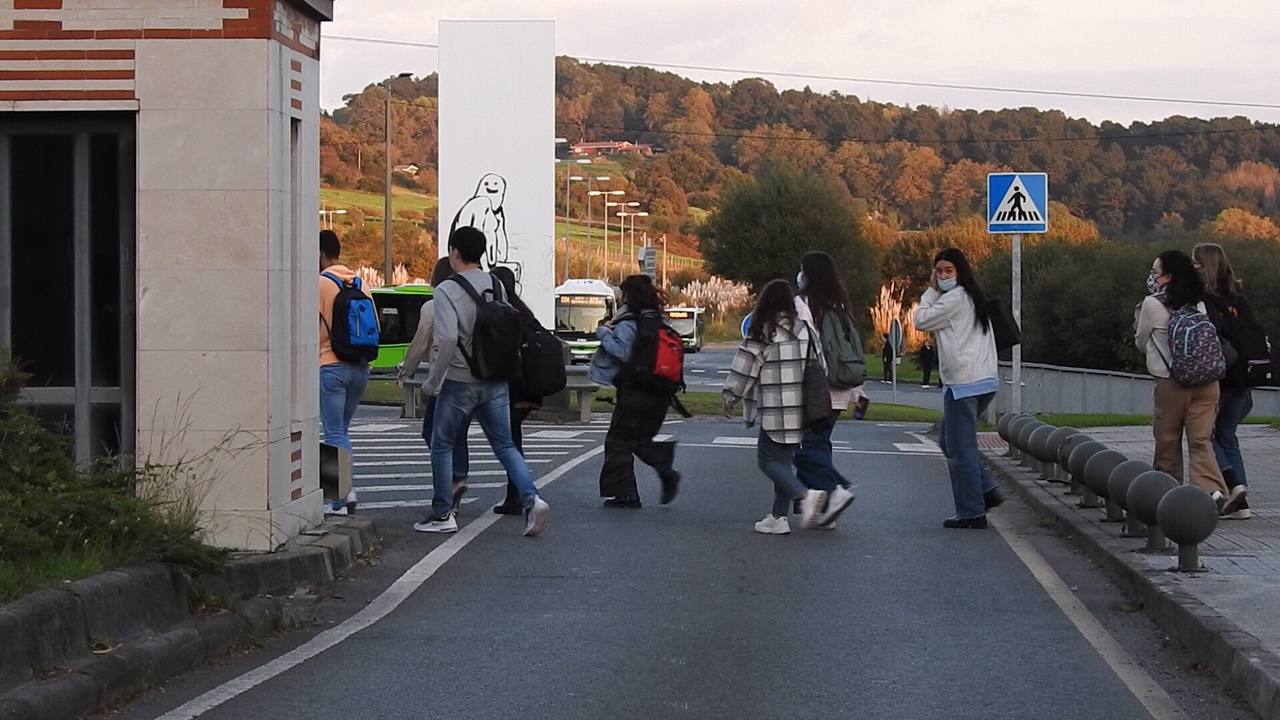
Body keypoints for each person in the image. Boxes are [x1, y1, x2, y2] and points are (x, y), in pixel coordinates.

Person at [414, 227, 550, 536]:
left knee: (442, 445)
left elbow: (447, 338)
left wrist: (433, 382)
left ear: (454, 252)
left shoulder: (446, 290)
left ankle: (442, 513)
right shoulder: (496, 285)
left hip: (459, 380)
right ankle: (533, 498)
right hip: (496, 380)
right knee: (504, 444)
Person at [723, 279, 828, 535]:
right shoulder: (806, 330)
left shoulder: (763, 332)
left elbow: (744, 369)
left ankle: (804, 496)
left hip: (775, 409)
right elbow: (821, 366)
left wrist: (731, 397)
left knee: (767, 460)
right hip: (802, 410)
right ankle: (778, 518)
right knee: (783, 462)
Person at [914, 248, 1004, 529]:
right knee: (948, 440)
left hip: (964, 383)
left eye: (947, 271)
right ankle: (985, 490)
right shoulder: (971, 296)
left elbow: (921, 321)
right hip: (983, 379)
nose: (942, 276)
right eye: (938, 271)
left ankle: (971, 512)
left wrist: (930, 292)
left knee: (960, 448)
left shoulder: (954, 298)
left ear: (959, 272)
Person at [1135, 250, 1229, 505]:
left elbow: (1141, 342)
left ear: (1167, 277)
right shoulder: (1198, 302)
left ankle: (1167, 493)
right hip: (1207, 382)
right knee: (1201, 440)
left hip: (1171, 382)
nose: (1152, 276)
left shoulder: (1152, 304)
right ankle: (1212, 492)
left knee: (1167, 438)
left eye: (1156, 272)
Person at [589, 274, 682, 508]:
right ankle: (664, 467)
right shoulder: (662, 323)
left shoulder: (630, 323)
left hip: (635, 392)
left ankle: (625, 493)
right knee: (640, 440)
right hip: (661, 394)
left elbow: (621, 351)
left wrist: (603, 332)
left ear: (629, 296)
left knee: (618, 441)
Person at [792, 251, 857, 528]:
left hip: (816, 387)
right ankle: (822, 510)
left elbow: (797, 342)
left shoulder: (802, 303)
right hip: (841, 388)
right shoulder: (839, 305)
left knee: (797, 448)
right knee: (820, 444)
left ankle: (834, 490)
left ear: (808, 275)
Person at [399, 257, 470, 508]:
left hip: (442, 380)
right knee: (459, 432)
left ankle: (448, 486)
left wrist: (406, 370)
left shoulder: (432, 307)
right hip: (469, 380)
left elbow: (420, 343)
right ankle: (459, 476)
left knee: (432, 433)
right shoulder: (468, 303)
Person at [1194, 243, 1253, 518]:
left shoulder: (1204, 300)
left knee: (1206, 435)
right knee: (1228, 435)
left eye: (1195, 262)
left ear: (1203, 265)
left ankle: (1233, 484)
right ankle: (1240, 500)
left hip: (1221, 375)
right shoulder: (1238, 296)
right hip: (1245, 374)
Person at [318, 230, 372, 512]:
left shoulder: (320, 284)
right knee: (342, 430)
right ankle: (346, 491)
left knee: (333, 433)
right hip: (360, 368)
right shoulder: (361, 284)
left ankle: (338, 499)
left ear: (320, 254)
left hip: (331, 366)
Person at [490, 265, 550, 515]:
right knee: (513, 440)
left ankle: (522, 497)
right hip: (530, 386)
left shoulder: (501, 312)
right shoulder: (524, 311)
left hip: (512, 386)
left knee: (508, 443)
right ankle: (516, 495)